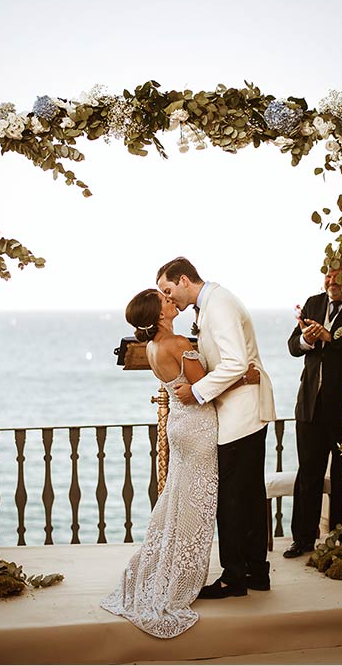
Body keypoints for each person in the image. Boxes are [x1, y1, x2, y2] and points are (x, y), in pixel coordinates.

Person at [100, 288, 219, 638]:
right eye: (165, 300)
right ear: (159, 314)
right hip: (197, 427)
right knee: (194, 509)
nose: (171, 300)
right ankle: (177, 582)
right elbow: (205, 384)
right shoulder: (178, 343)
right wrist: (244, 377)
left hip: (177, 426)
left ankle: (162, 570)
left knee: (176, 504)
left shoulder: (151, 347)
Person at [157, 257, 276, 599]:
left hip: (240, 414)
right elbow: (231, 362)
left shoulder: (219, 304)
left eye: (168, 290)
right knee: (250, 494)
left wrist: (196, 390)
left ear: (183, 280)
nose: (170, 299)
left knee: (234, 497)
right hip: (240, 408)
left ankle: (234, 576)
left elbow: (237, 362)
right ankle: (256, 571)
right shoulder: (208, 306)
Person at [283, 266, 342, 559]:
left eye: (338, 276)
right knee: (308, 474)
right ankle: (303, 539)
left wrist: (332, 338)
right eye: (328, 275)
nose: (331, 281)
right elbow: (294, 346)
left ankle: (341, 537)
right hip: (309, 405)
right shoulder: (313, 303)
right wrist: (307, 338)